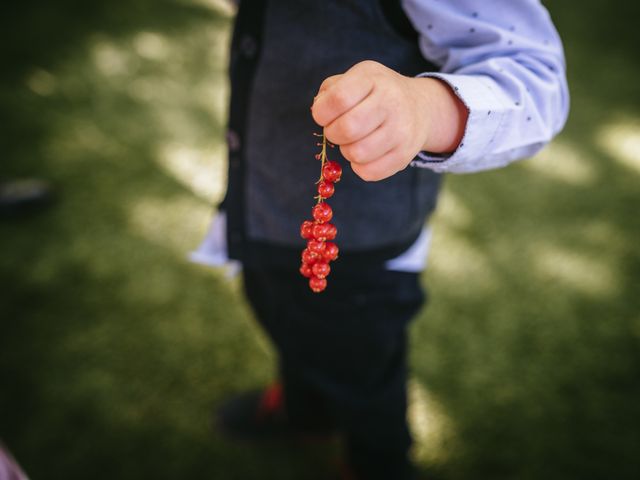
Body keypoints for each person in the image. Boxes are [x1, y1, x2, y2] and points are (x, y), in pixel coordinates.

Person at [193, 1, 569, 478]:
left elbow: (536, 79)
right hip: (264, 204)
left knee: (363, 372)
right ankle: (307, 410)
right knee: (284, 314)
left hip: (365, 250)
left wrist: (427, 109)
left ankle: (377, 461)